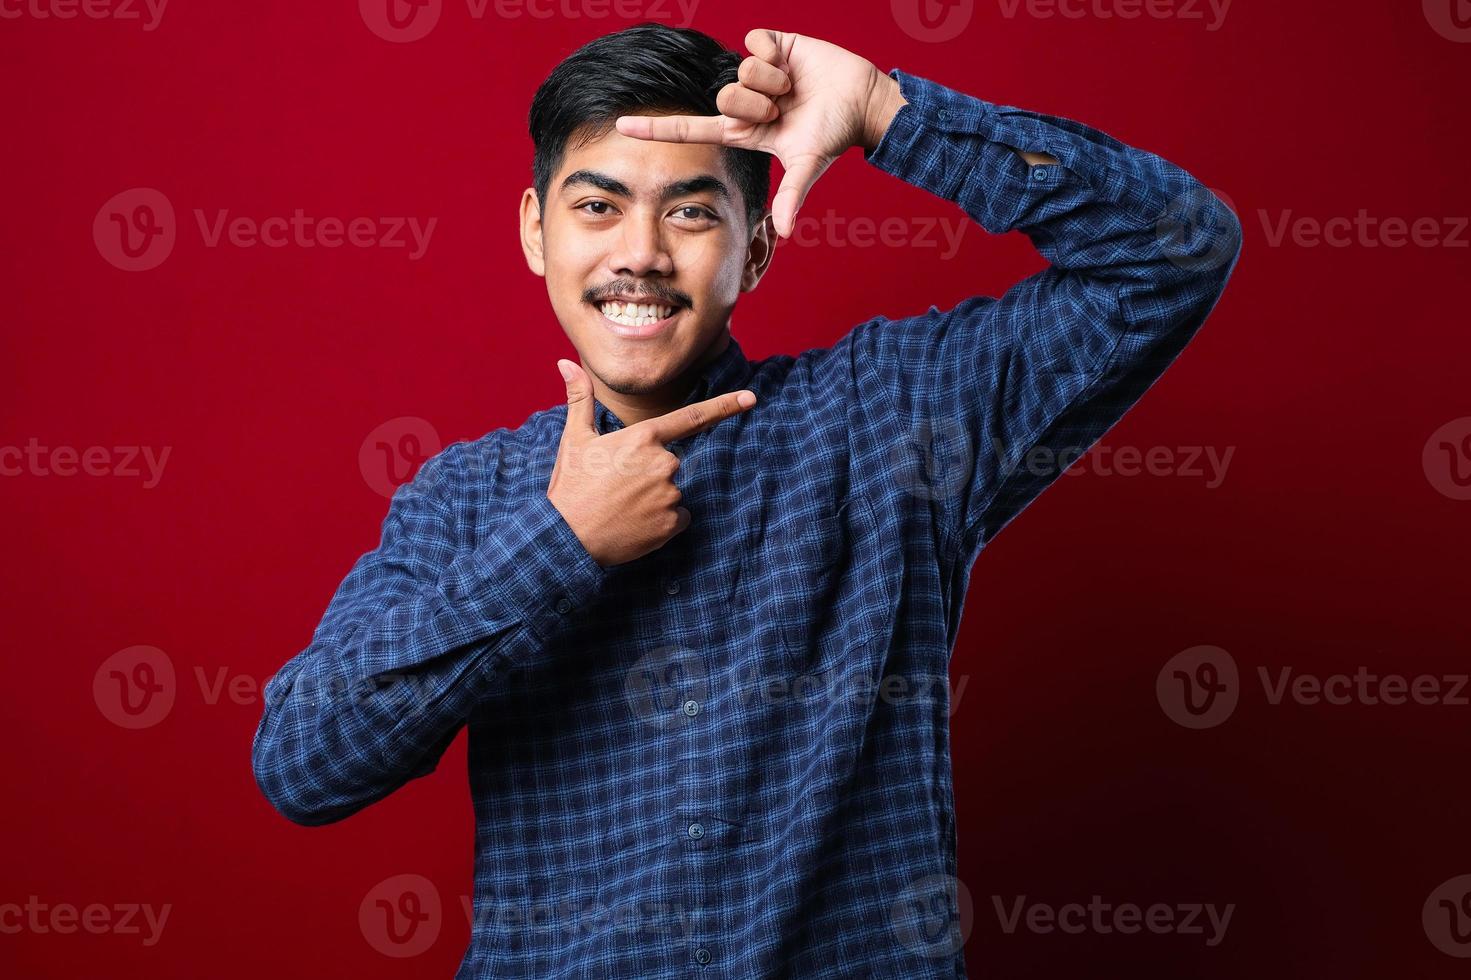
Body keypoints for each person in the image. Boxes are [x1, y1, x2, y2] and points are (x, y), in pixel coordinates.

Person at [251, 22, 1241, 978]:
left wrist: (887, 113)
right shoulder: (465, 498)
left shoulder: (891, 417)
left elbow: (1175, 251)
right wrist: (558, 544)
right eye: (597, 207)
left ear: (756, 248)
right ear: (534, 232)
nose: (640, 251)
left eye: (689, 211)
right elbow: (303, 763)